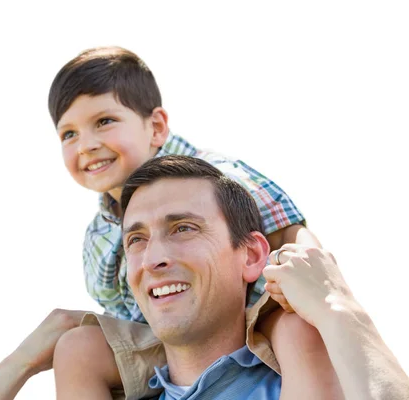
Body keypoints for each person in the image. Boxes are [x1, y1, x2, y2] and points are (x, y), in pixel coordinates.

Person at [49, 46, 334, 399]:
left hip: (253, 314)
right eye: (69, 134)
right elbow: (117, 313)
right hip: (166, 329)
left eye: (104, 122)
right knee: (77, 349)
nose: (87, 145)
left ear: (155, 127)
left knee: (297, 331)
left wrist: (321, 290)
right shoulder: (99, 235)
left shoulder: (213, 178)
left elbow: (291, 231)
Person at [116, 155, 408, 399]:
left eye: (184, 228)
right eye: (136, 240)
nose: (152, 260)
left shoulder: (312, 382)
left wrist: (336, 306)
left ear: (252, 255)